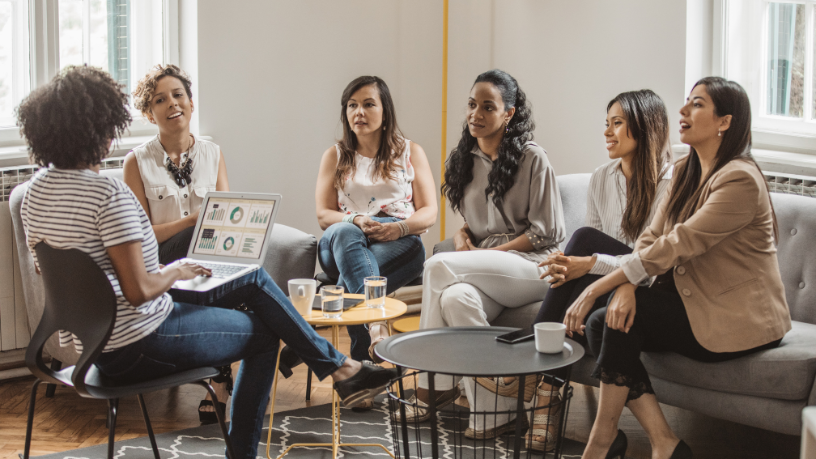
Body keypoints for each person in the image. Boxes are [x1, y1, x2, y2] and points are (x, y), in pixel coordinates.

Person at [17, 65, 397, 459]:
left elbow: (57, 273)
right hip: (138, 342)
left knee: (251, 278)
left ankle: (340, 368)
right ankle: (307, 397)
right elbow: (139, 289)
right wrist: (175, 271)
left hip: (93, 342)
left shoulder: (35, 192)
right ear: (101, 128)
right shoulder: (107, 195)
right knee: (265, 334)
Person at [565, 77, 791, 459]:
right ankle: (663, 442)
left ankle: (601, 444)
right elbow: (651, 238)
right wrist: (627, 287)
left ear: (724, 122)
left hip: (738, 318)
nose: (683, 111)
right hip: (693, 303)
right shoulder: (685, 170)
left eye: (697, 104)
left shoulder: (740, 178)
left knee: (617, 320)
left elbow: (680, 242)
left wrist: (598, 286)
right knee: (604, 322)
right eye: (686, 102)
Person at [408, 69, 566, 438]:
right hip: (486, 268)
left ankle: (434, 383)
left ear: (509, 113)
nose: (475, 114)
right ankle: (495, 413)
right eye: (471, 105)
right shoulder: (465, 159)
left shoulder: (532, 159)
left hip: (534, 266)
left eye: (487, 107)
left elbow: (548, 232)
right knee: (455, 298)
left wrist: (484, 252)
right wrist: (464, 238)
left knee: (438, 265)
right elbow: (472, 224)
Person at [527, 89, 672, 451]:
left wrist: (589, 264)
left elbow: (651, 262)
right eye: (606, 124)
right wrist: (578, 264)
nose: (608, 132)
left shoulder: (670, 182)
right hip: (613, 282)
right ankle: (546, 386)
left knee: (582, 241)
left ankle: (539, 378)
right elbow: (593, 249)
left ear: (644, 127)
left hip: (649, 286)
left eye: (618, 124)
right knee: (577, 251)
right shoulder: (602, 176)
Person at [123, 64, 233, 424]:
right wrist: (189, 222)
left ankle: (218, 381)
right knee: (194, 239)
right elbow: (139, 236)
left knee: (223, 258)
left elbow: (226, 217)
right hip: (161, 259)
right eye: (160, 99)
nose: (172, 104)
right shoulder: (136, 162)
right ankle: (222, 375)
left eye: (178, 95)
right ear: (148, 112)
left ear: (190, 102)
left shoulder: (213, 154)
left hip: (208, 255)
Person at [315, 76, 437, 379]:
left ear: (385, 112)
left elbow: (430, 211)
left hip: (397, 241)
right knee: (346, 234)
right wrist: (354, 219)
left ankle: (360, 371)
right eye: (352, 105)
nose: (359, 112)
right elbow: (323, 214)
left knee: (354, 277)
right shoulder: (335, 155)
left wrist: (399, 229)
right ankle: (377, 326)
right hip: (341, 240)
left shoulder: (410, 152)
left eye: (369, 104)